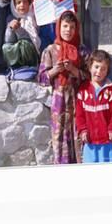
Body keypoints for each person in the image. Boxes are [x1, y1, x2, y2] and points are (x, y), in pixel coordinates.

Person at [38, 11, 89, 164]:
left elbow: (90, 76)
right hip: (58, 101)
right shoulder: (50, 50)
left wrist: (74, 70)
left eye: (72, 27)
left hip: (78, 100)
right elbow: (41, 78)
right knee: (59, 137)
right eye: (65, 26)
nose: (68, 30)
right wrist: (55, 70)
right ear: (58, 27)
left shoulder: (82, 51)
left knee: (78, 134)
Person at [76, 50, 112, 163]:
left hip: (107, 142)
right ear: (90, 66)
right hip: (90, 142)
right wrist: (82, 130)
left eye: (103, 69)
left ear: (107, 71)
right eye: (96, 67)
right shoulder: (83, 89)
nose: (99, 71)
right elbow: (79, 114)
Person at [2, 0, 41, 80]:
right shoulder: (11, 18)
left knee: (25, 43)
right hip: (17, 52)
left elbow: (31, 39)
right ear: (14, 5)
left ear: (29, 3)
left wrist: (19, 29)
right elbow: (8, 41)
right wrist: (11, 28)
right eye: (19, 2)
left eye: (25, 2)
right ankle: (16, 67)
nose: (22, 5)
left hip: (32, 51)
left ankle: (30, 66)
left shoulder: (34, 18)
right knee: (5, 47)